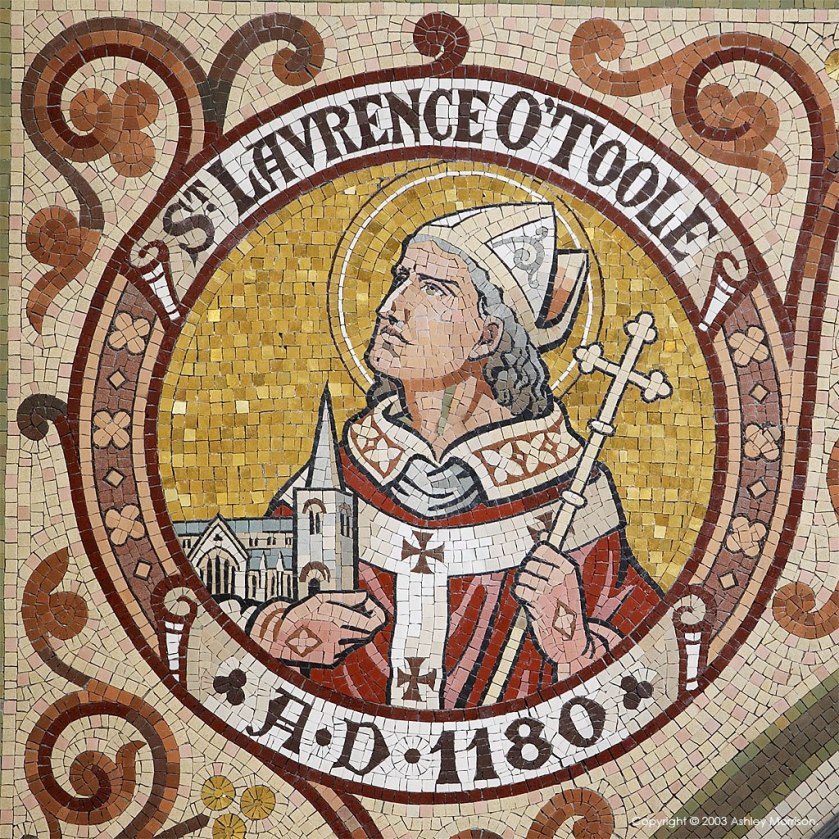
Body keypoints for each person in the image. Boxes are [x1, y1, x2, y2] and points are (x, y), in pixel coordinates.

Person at [251, 202, 663, 709]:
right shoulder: (343, 471)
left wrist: (573, 642)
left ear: (488, 336)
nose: (391, 306)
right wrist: (277, 630)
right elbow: (233, 603)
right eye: (402, 278)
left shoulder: (571, 499)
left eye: (432, 288)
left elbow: (654, 673)